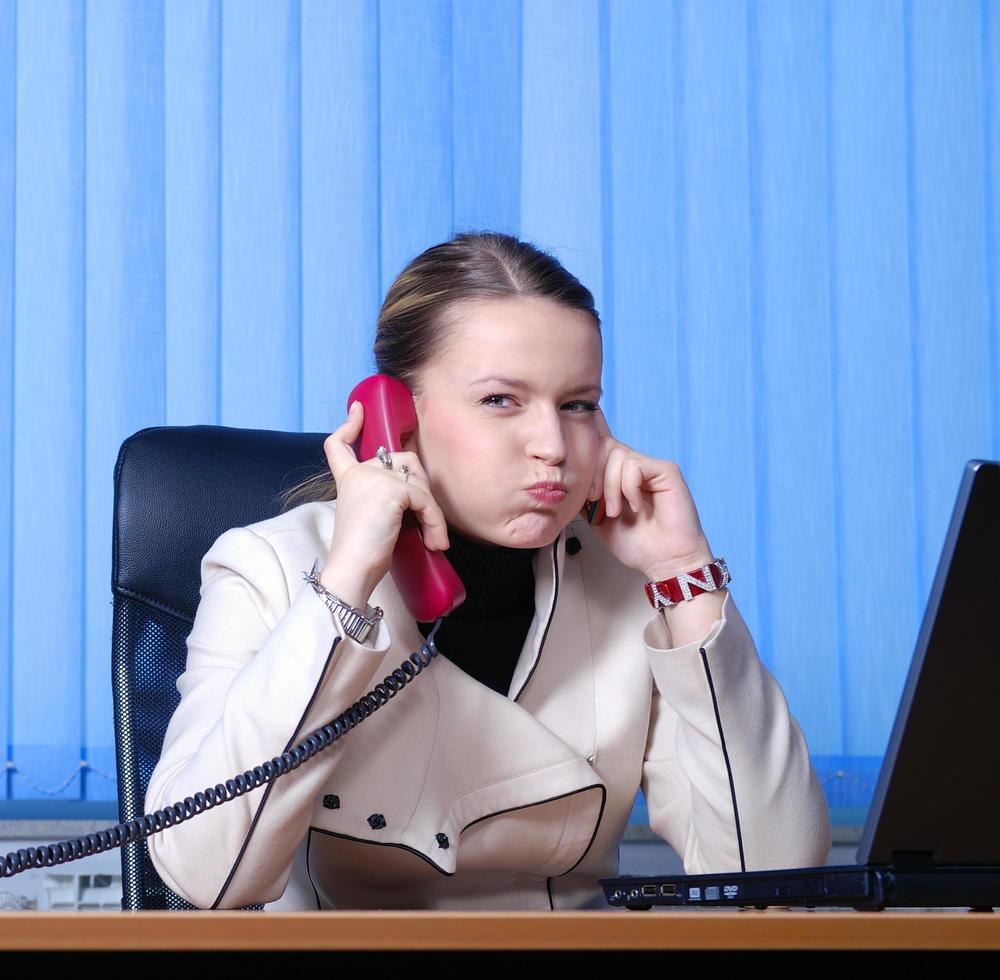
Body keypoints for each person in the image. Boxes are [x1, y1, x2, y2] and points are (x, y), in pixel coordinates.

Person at [143, 231, 831, 911]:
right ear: (394, 418)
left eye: (578, 404)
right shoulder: (273, 567)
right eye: (502, 400)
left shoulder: (633, 588)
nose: (553, 447)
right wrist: (347, 584)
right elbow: (210, 877)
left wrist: (685, 575)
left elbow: (771, 880)